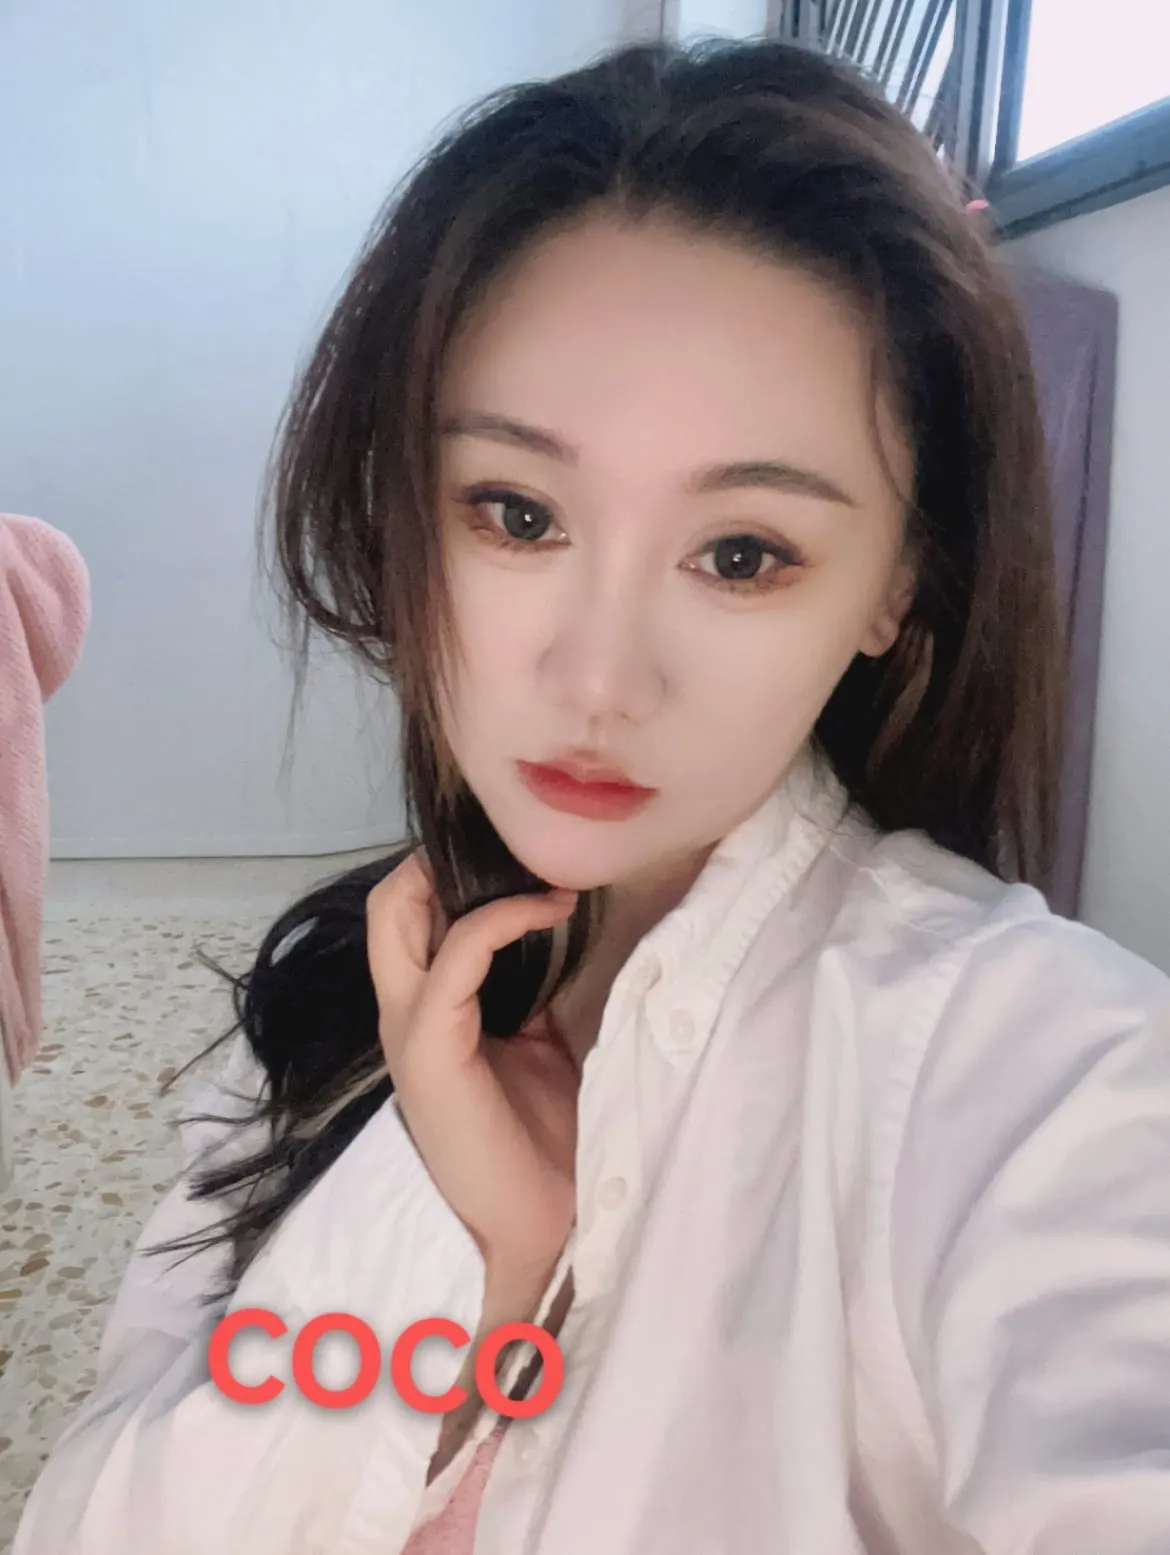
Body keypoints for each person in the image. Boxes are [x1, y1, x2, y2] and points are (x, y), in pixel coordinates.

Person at [14, 35, 1170, 1555]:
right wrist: (486, 1266)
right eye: (517, 513)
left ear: (897, 583)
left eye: (741, 554)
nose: (598, 677)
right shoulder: (339, 994)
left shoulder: (1037, 1071)